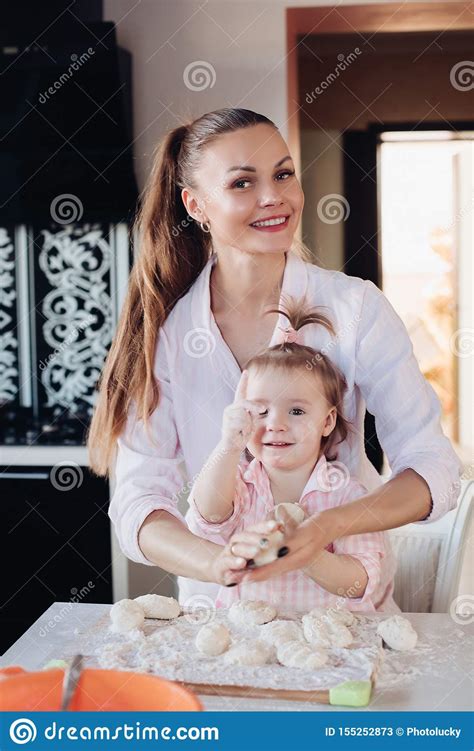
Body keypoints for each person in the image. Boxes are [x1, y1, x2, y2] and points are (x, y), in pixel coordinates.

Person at [87, 107, 461, 607]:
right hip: (220, 618)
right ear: (196, 205)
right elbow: (138, 501)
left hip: (345, 616)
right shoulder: (168, 335)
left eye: (283, 174)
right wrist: (216, 564)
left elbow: (432, 466)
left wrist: (325, 526)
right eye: (243, 183)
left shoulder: (357, 309)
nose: (274, 197)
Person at [186, 296, 399, 613]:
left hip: (327, 643)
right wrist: (228, 445)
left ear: (327, 421)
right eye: (260, 411)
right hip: (250, 639)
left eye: (296, 410)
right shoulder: (241, 485)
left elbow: (359, 582)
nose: (276, 424)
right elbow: (207, 516)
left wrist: (306, 550)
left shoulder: (348, 496)